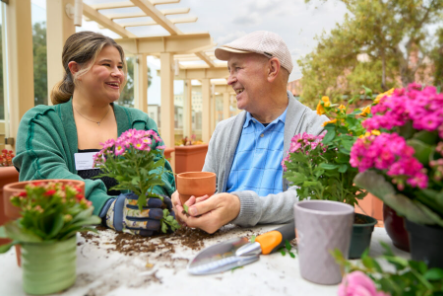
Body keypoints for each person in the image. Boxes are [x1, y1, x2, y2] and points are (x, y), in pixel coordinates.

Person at [13, 31, 175, 236]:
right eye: (107, 65)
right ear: (75, 69)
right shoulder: (42, 122)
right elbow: (45, 174)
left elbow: (158, 170)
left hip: (135, 240)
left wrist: (151, 201)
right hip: (69, 244)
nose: (118, 73)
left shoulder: (139, 122)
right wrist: (105, 207)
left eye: (120, 66)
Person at [172, 31, 328, 233]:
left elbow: (310, 197)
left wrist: (240, 207)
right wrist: (189, 202)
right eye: (229, 70)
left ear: (272, 69)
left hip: (286, 253)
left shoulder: (316, 129)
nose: (229, 80)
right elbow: (207, 193)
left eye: (237, 68)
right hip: (223, 252)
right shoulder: (223, 132)